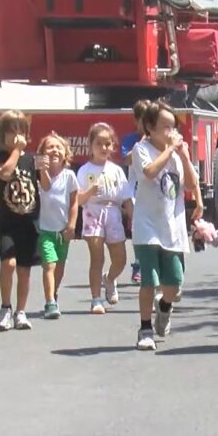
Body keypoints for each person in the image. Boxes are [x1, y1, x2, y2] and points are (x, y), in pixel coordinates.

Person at [130, 102, 202, 351]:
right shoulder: (142, 149)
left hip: (172, 227)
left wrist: (182, 155)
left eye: (173, 126)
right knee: (148, 280)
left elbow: (191, 185)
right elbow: (149, 172)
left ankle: (164, 307)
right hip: (147, 226)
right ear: (150, 127)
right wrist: (169, 150)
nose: (171, 131)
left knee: (173, 283)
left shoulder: (177, 156)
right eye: (165, 126)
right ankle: (145, 328)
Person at [0, 110, 40, 331]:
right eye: (12, 132)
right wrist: (17, 151)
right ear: (3, 136)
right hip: (7, 223)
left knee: (24, 269)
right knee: (8, 263)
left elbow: (44, 186)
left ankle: (21, 311)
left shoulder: (31, 160)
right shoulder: (0, 157)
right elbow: (5, 174)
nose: (17, 136)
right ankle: (5, 308)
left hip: (28, 223)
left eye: (21, 132)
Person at [77, 123, 133, 314]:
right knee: (96, 257)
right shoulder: (84, 170)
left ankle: (109, 279)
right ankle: (96, 299)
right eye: (99, 143)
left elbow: (126, 197)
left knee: (120, 259)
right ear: (90, 145)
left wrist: (132, 216)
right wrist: (90, 191)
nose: (103, 148)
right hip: (92, 212)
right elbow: (78, 199)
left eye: (107, 144)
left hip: (113, 212)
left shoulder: (116, 170)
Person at [35, 132, 78, 321]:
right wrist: (43, 170)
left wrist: (71, 225)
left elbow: (74, 202)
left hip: (63, 230)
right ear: (42, 153)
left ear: (65, 154)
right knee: (49, 265)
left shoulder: (69, 176)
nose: (54, 150)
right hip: (45, 229)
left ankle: (54, 292)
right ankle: (50, 301)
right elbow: (45, 188)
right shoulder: (39, 175)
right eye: (49, 147)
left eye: (58, 147)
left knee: (60, 266)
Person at [123, 100, 150, 285]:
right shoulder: (131, 140)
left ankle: (151, 265)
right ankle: (139, 265)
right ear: (137, 121)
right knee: (138, 231)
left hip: (153, 193)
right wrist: (141, 144)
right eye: (144, 121)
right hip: (135, 191)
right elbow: (127, 160)